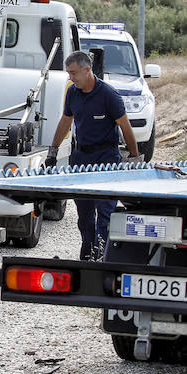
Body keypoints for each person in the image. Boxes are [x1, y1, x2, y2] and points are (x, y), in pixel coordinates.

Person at [45, 50, 140, 261]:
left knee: (105, 213)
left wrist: (134, 159)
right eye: (68, 72)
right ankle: (87, 253)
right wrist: (53, 151)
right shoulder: (72, 93)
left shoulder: (109, 95)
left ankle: (103, 254)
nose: (70, 77)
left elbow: (125, 127)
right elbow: (65, 121)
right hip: (81, 159)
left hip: (107, 159)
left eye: (73, 72)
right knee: (84, 214)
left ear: (87, 70)